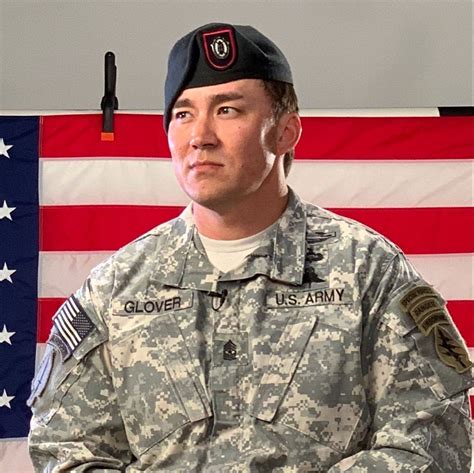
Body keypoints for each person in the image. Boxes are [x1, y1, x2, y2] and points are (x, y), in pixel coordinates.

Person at [28, 22, 473, 472]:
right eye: (182, 114)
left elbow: (434, 445)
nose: (200, 135)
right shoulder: (115, 289)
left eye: (227, 110)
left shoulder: (368, 271)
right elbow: (65, 453)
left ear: (285, 132)